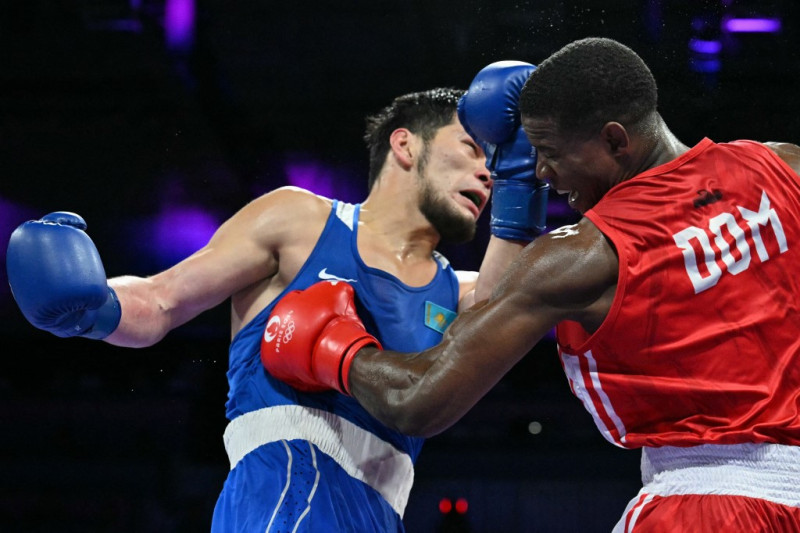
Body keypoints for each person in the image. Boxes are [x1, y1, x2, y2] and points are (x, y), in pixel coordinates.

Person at [258, 37, 800, 531]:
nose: (539, 172)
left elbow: (419, 401)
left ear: (615, 140)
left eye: (551, 151)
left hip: (708, 509)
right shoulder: (780, 166)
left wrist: (335, 346)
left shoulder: (587, 255)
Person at [6, 66, 550, 531]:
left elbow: (505, 307)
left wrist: (525, 179)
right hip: (282, 480)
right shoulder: (300, 221)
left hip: (383, 513)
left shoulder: (460, 292)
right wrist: (97, 308)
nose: (488, 171)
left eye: (499, 164)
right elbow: (162, 300)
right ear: (405, 144)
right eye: (474, 148)